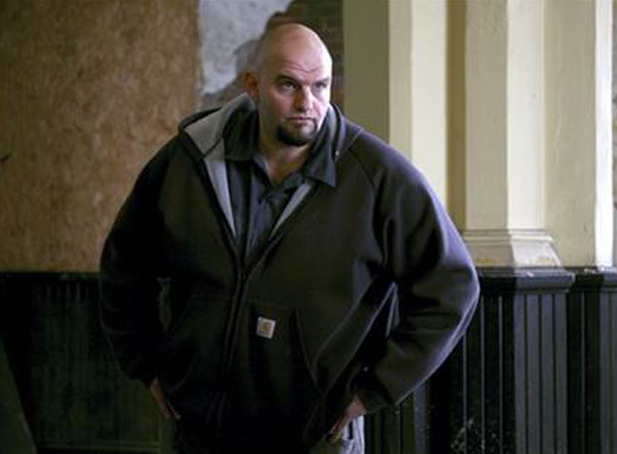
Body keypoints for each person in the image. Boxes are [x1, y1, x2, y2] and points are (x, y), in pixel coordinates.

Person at [100, 23, 479, 454]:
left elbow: (452, 288)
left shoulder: (378, 176)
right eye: (288, 85)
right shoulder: (191, 160)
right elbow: (123, 263)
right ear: (252, 86)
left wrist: (372, 391)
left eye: (320, 86)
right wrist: (146, 364)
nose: (308, 103)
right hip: (199, 431)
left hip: (317, 435)